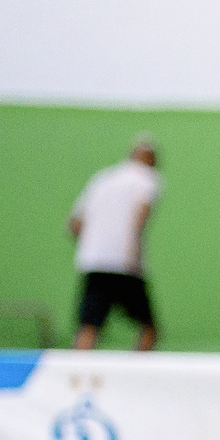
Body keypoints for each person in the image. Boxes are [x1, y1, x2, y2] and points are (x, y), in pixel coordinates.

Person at [69, 135, 163, 350]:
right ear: (151, 159)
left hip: (94, 262)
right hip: (125, 263)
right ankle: (138, 375)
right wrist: (132, 252)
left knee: (89, 325)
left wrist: (93, 246)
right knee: (149, 328)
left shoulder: (102, 178)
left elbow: (75, 225)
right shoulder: (148, 179)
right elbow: (141, 217)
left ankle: (75, 373)